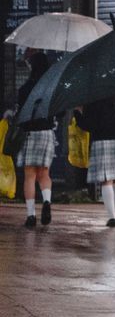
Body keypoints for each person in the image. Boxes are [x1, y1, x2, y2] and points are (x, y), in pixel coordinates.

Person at [78, 93, 115, 226]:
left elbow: (87, 125)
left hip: (101, 142)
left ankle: (112, 217)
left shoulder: (94, 100)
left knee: (106, 180)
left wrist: (78, 113)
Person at [16, 49, 56, 229]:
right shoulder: (50, 89)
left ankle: (31, 215)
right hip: (47, 133)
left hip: (30, 134)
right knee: (45, 173)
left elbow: (20, 115)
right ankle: (47, 201)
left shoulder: (25, 89)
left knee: (30, 175)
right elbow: (60, 112)